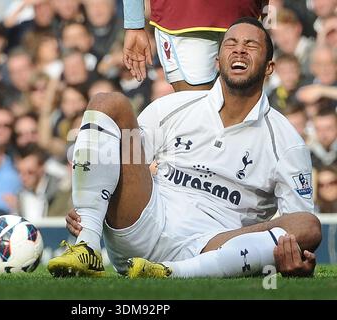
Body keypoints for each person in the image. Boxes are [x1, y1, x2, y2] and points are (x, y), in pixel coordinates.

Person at [48, 18, 321, 279]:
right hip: (144, 223)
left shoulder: (287, 141)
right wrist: (93, 203)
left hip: (214, 245)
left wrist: (297, 254)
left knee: (307, 226)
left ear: (269, 67)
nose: (239, 49)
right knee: (108, 102)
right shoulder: (175, 107)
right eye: (231, 43)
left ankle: (171, 273)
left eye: (251, 45)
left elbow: (297, 224)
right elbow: (125, 161)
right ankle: (87, 246)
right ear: (217, 61)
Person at [122, 0, 269, 91]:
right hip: (186, 19)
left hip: (185, 17)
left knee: (242, 111)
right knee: (194, 111)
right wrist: (134, 24)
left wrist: (134, 24)